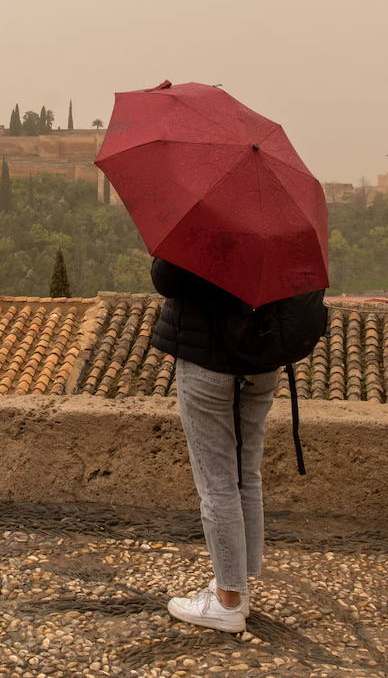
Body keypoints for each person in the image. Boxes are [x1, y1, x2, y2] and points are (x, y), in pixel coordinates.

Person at [151, 256, 281, 633]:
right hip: (262, 361)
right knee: (246, 475)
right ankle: (238, 583)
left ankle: (227, 601)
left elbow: (166, 279)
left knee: (216, 483)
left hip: (208, 360)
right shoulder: (278, 232)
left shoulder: (205, 233)